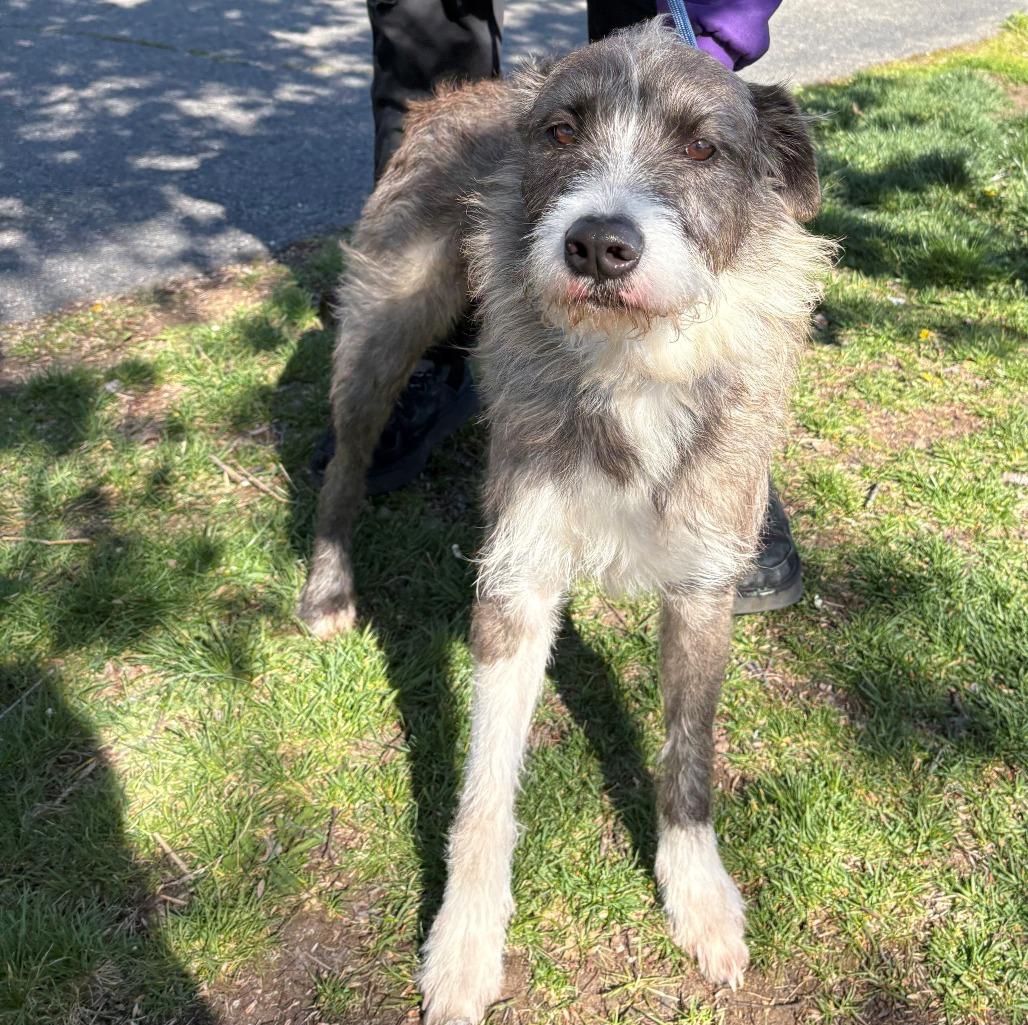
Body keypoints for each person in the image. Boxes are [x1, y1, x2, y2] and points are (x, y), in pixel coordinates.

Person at [313, 0, 801, 615]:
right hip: (448, 163)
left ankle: (719, 472)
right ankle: (341, 515)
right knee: (380, 347)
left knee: (637, 97)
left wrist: (707, 44)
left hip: (676, 43)